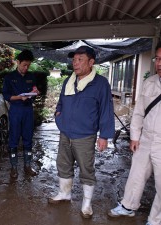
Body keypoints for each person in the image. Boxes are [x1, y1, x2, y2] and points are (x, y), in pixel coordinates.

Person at [48, 46, 115, 219]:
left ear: (91, 62)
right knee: (63, 164)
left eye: (80, 60)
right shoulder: (68, 81)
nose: (75, 63)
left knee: (86, 169)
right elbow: (61, 102)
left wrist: (104, 136)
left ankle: (86, 203)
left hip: (85, 135)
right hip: (65, 132)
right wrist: (58, 116)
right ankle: (64, 193)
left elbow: (106, 109)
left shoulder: (100, 83)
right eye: (74, 60)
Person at [108, 42, 161, 225]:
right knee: (136, 174)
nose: (159, 64)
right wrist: (135, 137)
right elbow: (138, 112)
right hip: (146, 139)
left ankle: (155, 220)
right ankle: (128, 206)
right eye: (158, 59)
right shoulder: (149, 82)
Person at [2, 49, 40, 178]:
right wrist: (19, 98)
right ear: (17, 62)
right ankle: (13, 168)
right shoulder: (9, 77)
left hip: (28, 110)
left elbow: (34, 93)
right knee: (14, 138)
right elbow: (6, 95)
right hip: (16, 110)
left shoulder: (31, 76)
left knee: (28, 138)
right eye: (24, 65)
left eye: (28, 65)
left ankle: (28, 166)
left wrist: (35, 91)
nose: (26, 67)